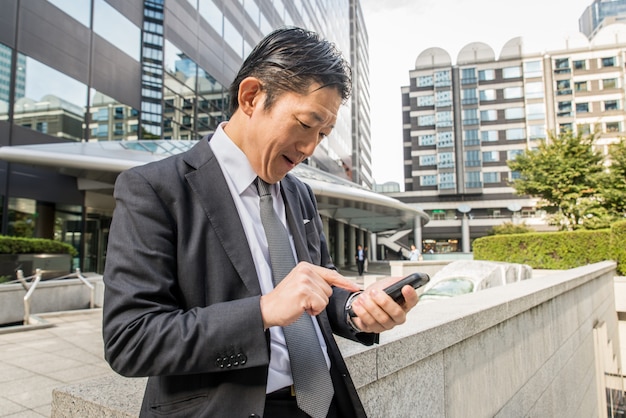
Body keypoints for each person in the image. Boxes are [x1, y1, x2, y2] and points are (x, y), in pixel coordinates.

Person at [102, 27, 418, 418]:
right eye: (305, 124)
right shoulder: (153, 189)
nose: (309, 149)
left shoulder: (299, 192)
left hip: (327, 404)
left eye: (322, 134)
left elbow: (318, 289)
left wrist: (357, 307)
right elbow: (130, 340)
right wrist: (264, 310)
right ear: (251, 97)